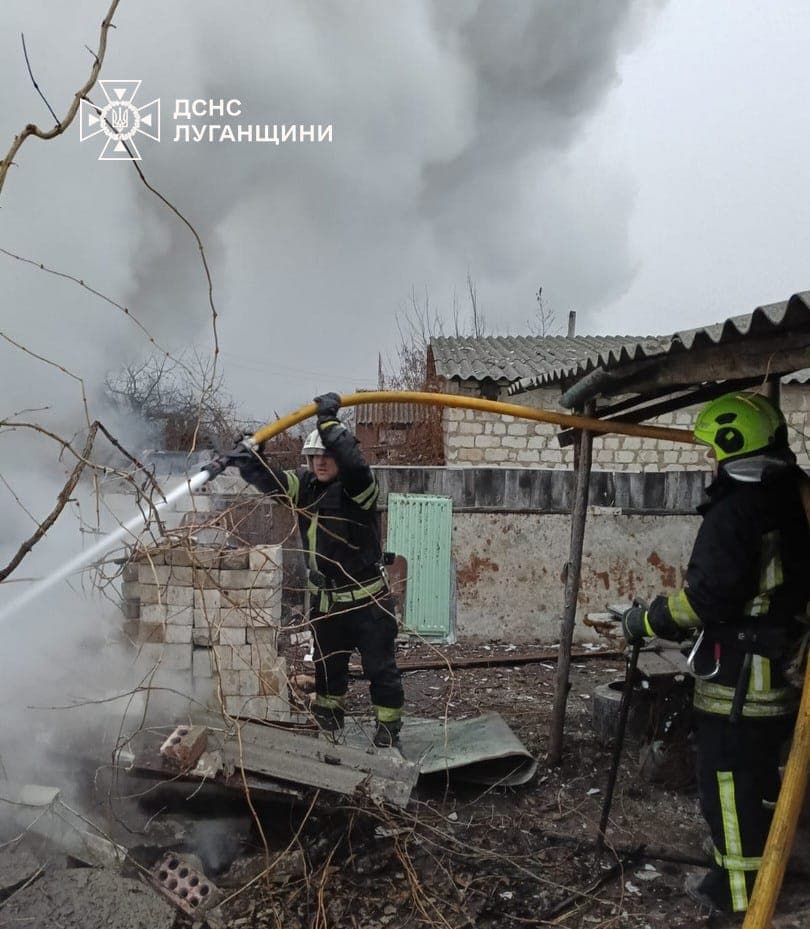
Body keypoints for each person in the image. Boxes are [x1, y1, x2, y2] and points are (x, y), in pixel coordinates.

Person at [621, 390, 810, 916]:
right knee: (759, 778)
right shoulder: (791, 500)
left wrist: (645, 619)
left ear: (733, 446)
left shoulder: (734, 514)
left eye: (714, 449)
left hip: (739, 685)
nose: (710, 458)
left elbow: (704, 600)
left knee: (726, 783)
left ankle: (739, 892)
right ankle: (759, 864)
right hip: (782, 674)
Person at [233, 393, 404, 748]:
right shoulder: (305, 488)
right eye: (314, 456)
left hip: (368, 602)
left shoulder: (360, 491)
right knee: (328, 670)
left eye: (327, 455)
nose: (320, 462)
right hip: (327, 604)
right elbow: (274, 483)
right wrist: (250, 457)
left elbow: (356, 467)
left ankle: (388, 729)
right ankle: (329, 720)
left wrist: (329, 425)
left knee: (380, 670)